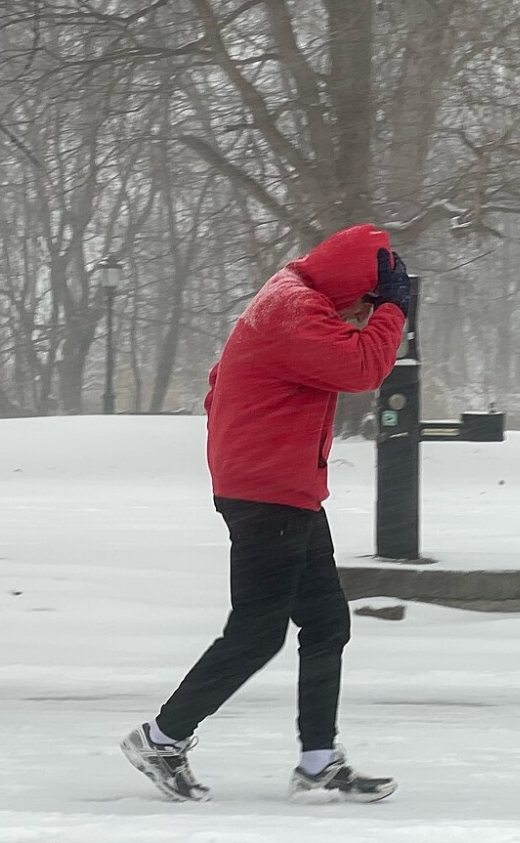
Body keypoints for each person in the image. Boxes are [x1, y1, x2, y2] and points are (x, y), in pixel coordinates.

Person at [121, 225, 411, 804]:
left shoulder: (289, 298)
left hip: (284, 488)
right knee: (257, 632)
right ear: (353, 283)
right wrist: (395, 311)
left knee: (327, 623)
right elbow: (361, 370)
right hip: (268, 493)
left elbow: (221, 381)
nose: (360, 313)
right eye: (364, 300)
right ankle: (161, 737)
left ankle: (318, 761)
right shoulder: (294, 310)